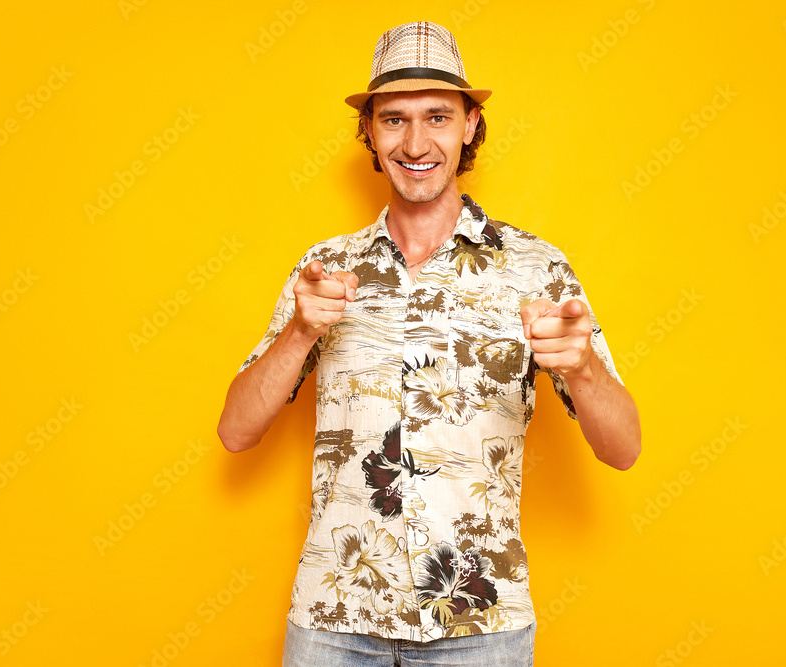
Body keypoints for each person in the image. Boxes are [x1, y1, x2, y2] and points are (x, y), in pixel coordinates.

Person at [217, 20, 641, 666]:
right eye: (394, 120)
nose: (416, 142)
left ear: (470, 124)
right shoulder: (324, 270)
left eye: (437, 116)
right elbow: (235, 431)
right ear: (370, 133)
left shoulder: (535, 268)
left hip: (481, 624)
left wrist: (581, 368)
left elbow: (625, 447)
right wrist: (301, 330)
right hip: (336, 620)